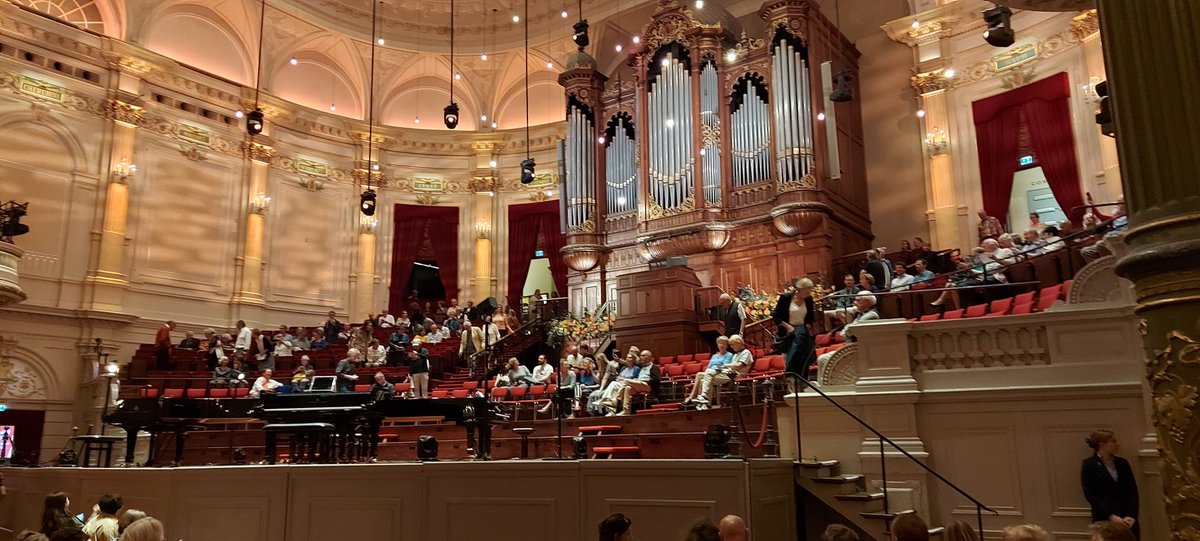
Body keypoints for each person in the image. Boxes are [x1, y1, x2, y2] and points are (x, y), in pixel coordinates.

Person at [1081, 429, 1139, 537]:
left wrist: (1131, 515)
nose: (1117, 444)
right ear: (1102, 444)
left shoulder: (1122, 463)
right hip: (1104, 518)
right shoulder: (1089, 465)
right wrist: (1111, 516)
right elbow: (1090, 494)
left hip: (1127, 518)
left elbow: (1132, 490)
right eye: (1113, 441)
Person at [691, 336, 752, 410]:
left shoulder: (746, 352)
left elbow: (739, 366)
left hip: (736, 375)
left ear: (738, 343)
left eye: (733, 344)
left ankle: (704, 400)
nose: (732, 347)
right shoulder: (736, 354)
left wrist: (724, 366)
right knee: (703, 379)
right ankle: (705, 403)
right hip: (729, 373)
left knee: (705, 376)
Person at [772, 278, 816, 379]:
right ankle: (792, 379)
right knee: (791, 358)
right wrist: (787, 326)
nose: (808, 294)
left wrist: (808, 325)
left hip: (802, 332)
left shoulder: (808, 299)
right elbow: (775, 315)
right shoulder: (786, 298)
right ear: (799, 289)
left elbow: (810, 318)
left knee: (804, 358)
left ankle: (803, 380)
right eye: (807, 292)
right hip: (788, 333)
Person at [683, 336, 733, 405]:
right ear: (717, 344)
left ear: (727, 346)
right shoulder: (714, 356)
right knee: (702, 380)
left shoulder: (729, 355)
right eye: (720, 343)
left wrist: (714, 369)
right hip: (710, 373)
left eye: (723, 344)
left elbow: (724, 367)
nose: (721, 345)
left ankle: (692, 397)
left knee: (699, 375)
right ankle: (705, 404)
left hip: (721, 374)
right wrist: (709, 371)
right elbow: (709, 367)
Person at [615, 350, 657, 415]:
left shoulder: (654, 367)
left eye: (643, 356)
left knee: (626, 381)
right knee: (628, 388)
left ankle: (617, 398)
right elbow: (628, 363)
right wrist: (636, 379)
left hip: (648, 386)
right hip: (640, 384)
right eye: (640, 356)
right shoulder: (642, 366)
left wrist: (645, 380)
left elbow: (656, 379)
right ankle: (626, 411)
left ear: (649, 357)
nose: (641, 357)